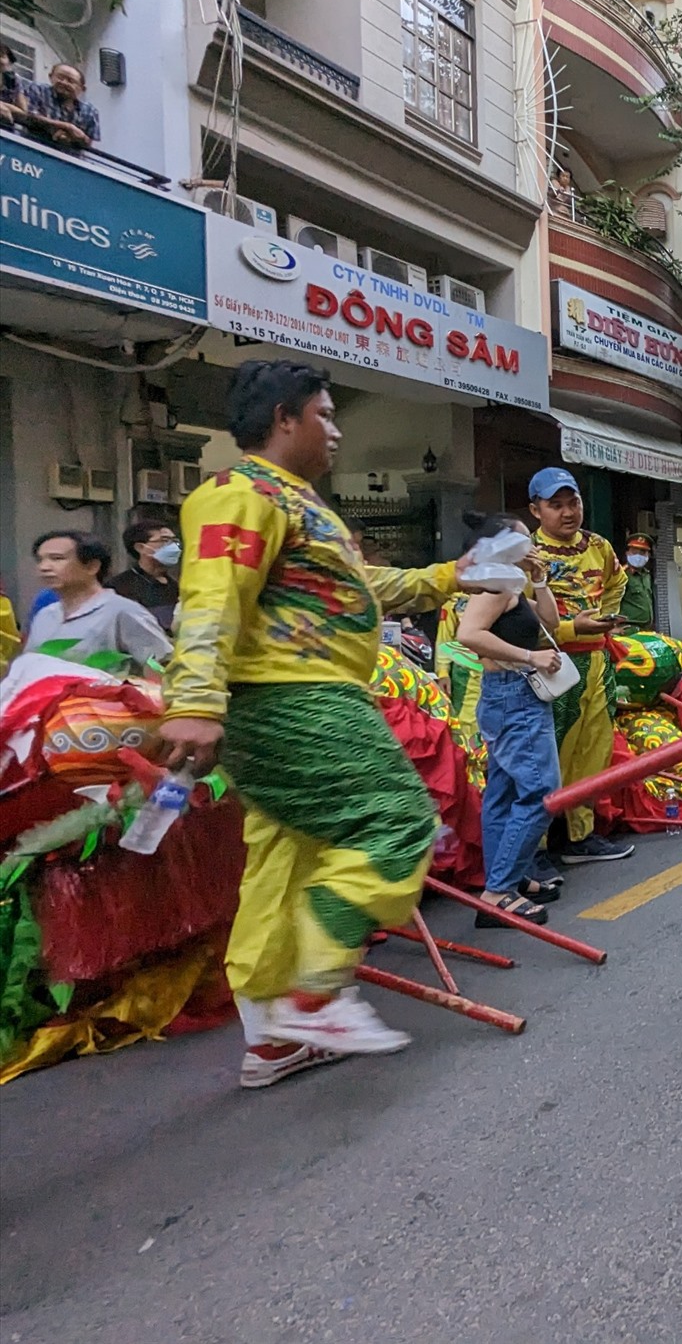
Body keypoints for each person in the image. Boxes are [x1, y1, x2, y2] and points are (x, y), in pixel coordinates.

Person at [156, 360, 481, 1085]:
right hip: (296, 696)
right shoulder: (238, 494)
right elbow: (212, 599)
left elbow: (368, 589)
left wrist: (457, 575)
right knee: (398, 823)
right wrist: (195, 702)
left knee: (285, 864)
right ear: (284, 418)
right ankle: (315, 994)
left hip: (288, 698)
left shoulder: (302, 506)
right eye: (327, 416)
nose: (336, 431)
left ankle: (271, 1037)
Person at [453, 512, 564, 927]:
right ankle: (499, 890)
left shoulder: (510, 584)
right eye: (523, 540)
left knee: (502, 793)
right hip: (513, 695)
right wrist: (530, 656)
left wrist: (539, 579)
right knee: (540, 792)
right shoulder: (495, 585)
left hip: (511, 696)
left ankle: (506, 880)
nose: (531, 545)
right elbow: (468, 633)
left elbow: (550, 621)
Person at [529, 468, 632, 863]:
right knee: (549, 753)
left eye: (574, 502)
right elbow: (518, 619)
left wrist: (606, 616)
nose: (568, 512)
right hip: (552, 664)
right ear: (536, 510)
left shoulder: (599, 546)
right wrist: (574, 626)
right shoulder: (527, 554)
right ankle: (535, 845)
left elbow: (618, 581)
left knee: (593, 749)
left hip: (597, 661)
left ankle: (580, 835)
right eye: (556, 505)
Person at [24, 529, 174, 671]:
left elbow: (162, 666)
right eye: (40, 560)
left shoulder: (123, 611)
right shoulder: (45, 615)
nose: (44, 567)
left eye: (57, 559)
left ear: (92, 566)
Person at [107, 520, 182, 632]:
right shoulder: (120, 588)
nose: (174, 547)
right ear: (140, 548)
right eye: (165, 541)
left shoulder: (177, 585)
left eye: (175, 541)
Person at [24, 63, 99, 150]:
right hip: (32, 149)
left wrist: (72, 138)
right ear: (50, 77)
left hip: (68, 159)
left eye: (70, 81)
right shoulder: (38, 90)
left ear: (82, 88)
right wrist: (68, 127)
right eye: (60, 77)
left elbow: (88, 142)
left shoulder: (90, 111)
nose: (64, 83)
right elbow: (29, 115)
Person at [618, 532, 654, 630]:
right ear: (627, 553)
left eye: (643, 552)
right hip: (627, 628)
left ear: (648, 555)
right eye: (634, 552)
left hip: (645, 628)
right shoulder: (621, 574)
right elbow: (609, 601)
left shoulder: (646, 575)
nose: (638, 556)